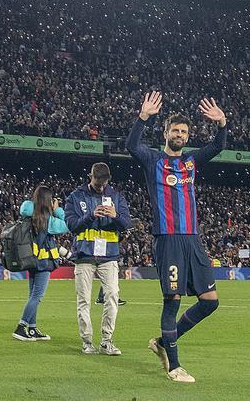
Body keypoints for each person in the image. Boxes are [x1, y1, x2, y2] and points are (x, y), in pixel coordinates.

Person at [126, 91, 228, 384]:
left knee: (210, 301)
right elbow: (131, 145)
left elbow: (217, 146)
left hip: (192, 240)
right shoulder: (152, 160)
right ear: (166, 133)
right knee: (172, 300)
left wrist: (222, 122)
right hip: (168, 239)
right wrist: (143, 116)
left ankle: (161, 342)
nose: (180, 135)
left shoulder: (193, 161)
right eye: (175, 130)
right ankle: (174, 365)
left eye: (184, 131)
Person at [64, 162, 132, 356]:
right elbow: (72, 225)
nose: (101, 186)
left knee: (112, 296)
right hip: (84, 255)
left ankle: (106, 341)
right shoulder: (76, 197)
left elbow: (127, 223)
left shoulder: (116, 196)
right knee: (83, 300)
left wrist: (116, 216)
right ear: (90, 176)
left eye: (104, 183)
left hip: (108, 255)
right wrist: (90, 216)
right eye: (98, 182)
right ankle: (87, 341)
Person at [13, 185, 68, 342]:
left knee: (33, 295)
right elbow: (66, 225)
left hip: (30, 259)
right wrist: (57, 210)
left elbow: (26, 207)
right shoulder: (48, 220)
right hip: (43, 262)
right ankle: (21, 327)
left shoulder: (28, 215)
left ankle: (32, 328)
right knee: (37, 296)